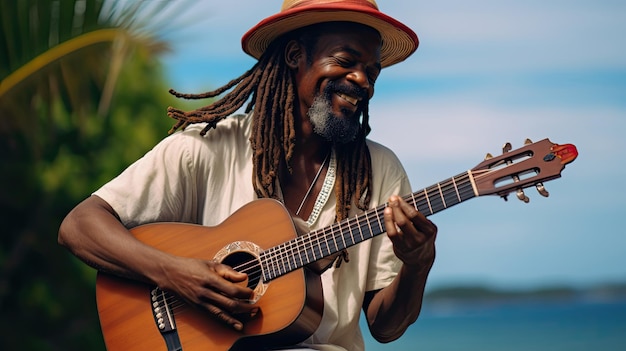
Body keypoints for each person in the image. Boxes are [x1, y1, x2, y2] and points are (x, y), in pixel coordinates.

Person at [58, 1, 437, 350]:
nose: (363, 81)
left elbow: (386, 327)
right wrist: (175, 274)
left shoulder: (379, 171)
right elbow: (79, 226)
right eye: (346, 61)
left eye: (372, 71)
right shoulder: (206, 147)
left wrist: (418, 265)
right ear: (294, 55)